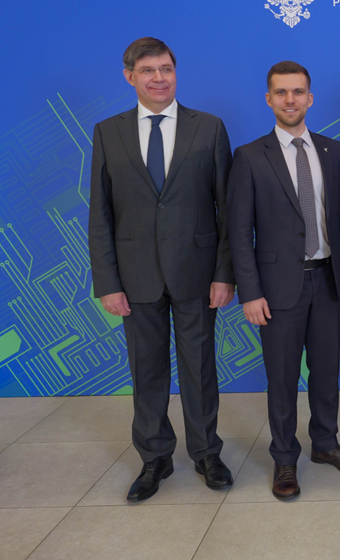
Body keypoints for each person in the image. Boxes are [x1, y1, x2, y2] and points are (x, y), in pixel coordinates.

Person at [89, 37, 235, 501]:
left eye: (166, 69)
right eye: (148, 70)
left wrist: (224, 273)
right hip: (135, 278)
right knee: (147, 370)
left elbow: (228, 210)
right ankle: (155, 458)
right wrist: (107, 282)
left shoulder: (208, 128)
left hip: (197, 273)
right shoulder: (107, 132)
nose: (159, 78)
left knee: (200, 369)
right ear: (129, 76)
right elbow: (100, 214)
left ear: (176, 72)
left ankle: (207, 453)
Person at [227, 61, 340, 501]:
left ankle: (325, 443)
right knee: (283, 378)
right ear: (269, 99)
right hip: (276, 288)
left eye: (298, 92)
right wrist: (250, 292)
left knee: (326, 372)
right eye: (282, 92)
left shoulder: (332, 150)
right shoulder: (250, 156)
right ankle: (285, 456)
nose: (291, 100)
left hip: (328, 281)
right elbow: (238, 232)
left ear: (310, 98)